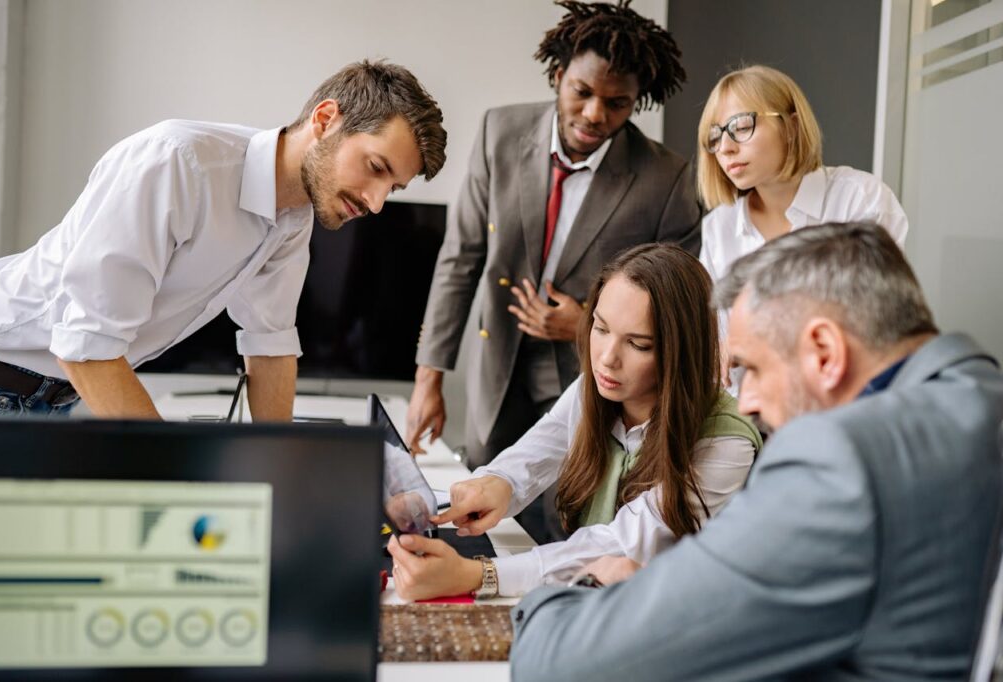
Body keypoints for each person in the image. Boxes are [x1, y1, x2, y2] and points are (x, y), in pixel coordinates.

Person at [508, 222, 1003, 682]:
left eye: (753, 369)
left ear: (825, 353)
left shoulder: (840, 461)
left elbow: (573, 663)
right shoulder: (978, 396)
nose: (748, 402)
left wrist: (562, 595)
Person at [0, 60, 446, 418]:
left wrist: (275, 482)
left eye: (393, 188)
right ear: (326, 120)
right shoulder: (177, 163)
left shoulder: (294, 215)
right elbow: (87, 347)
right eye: (376, 168)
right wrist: (180, 483)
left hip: (58, 396)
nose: (378, 203)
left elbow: (271, 348)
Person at [407, 1, 701, 480]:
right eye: (581, 92)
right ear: (558, 74)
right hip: (498, 361)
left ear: (637, 101)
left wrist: (586, 324)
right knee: (485, 500)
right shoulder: (498, 133)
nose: (593, 114)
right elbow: (460, 259)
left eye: (616, 103)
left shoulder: (667, 179)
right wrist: (428, 378)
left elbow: (678, 306)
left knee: (566, 517)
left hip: (592, 376)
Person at [387, 244, 761, 600]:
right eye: (600, 328)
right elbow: (536, 451)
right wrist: (494, 483)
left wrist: (479, 575)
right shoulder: (598, 387)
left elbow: (619, 542)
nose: (607, 358)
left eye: (638, 344)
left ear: (681, 351)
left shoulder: (726, 442)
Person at [698, 65, 908, 284]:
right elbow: (712, 318)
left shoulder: (862, 200)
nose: (724, 148)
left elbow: (877, 311)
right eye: (714, 137)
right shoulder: (718, 227)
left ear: (791, 127)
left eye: (741, 127)